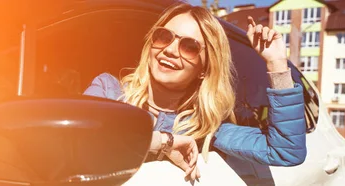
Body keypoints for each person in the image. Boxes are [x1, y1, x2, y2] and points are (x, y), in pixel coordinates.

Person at [83, 3, 306, 182]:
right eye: (163, 36)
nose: (170, 50)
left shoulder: (205, 129)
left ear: (204, 70)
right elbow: (74, 142)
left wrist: (277, 63)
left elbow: (285, 151)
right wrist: (162, 141)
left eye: (189, 47)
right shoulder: (107, 91)